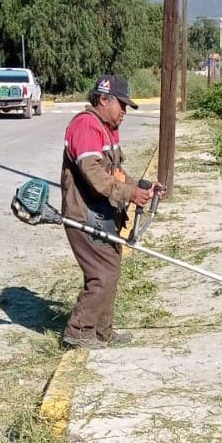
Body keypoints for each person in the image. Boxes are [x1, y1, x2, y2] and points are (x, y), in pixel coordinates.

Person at [60, 74, 160, 349]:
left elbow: (114, 173)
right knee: (101, 274)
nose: (125, 112)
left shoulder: (106, 128)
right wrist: (129, 194)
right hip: (83, 215)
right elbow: (93, 173)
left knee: (110, 271)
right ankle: (78, 332)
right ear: (104, 99)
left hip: (102, 214)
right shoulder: (86, 126)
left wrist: (143, 187)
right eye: (122, 105)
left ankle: (102, 330)